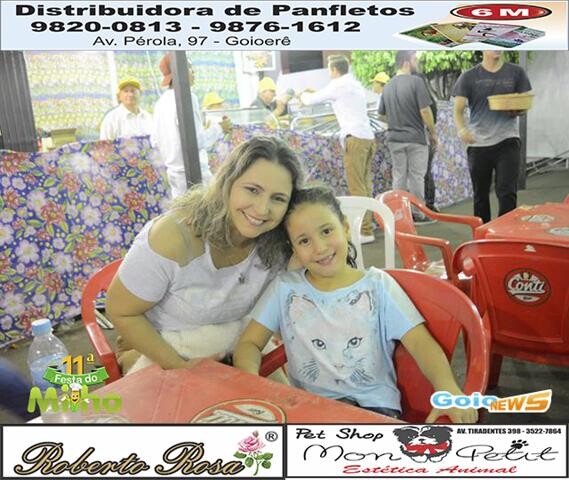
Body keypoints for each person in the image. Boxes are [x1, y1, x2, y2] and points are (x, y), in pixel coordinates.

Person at [234, 185, 476, 423]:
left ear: (345, 228)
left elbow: (420, 343)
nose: (320, 248)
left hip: (372, 410)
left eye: (326, 231)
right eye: (304, 241)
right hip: (309, 410)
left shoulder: (378, 286)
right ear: (293, 248)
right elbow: (249, 343)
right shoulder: (284, 288)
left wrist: (447, 389)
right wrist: (251, 383)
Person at [105, 137, 305, 374]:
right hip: (158, 349)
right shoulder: (173, 236)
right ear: (227, 183)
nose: (262, 209)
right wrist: (179, 367)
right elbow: (121, 310)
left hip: (234, 342)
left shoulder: (280, 241)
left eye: (278, 198)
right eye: (252, 190)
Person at [300, 55, 376, 244]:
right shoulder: (354, 84)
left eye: (329, 69)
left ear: (334, 69)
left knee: (357, 186)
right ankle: (368, 226)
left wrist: (300, 94)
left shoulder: (338, 84)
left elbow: (309, 100)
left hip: (354, 139)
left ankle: (365, 231)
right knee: (366, 185)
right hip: (367, 137)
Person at [453, 51, 532, 223]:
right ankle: (483, 233)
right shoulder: (468, 76)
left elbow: (525, 103)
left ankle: (506, 233)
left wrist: (517, 109)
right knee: (480, 195)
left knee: (507, 192)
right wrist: (462, 130)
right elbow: (458, 110)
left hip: (508, 139)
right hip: (478, 144)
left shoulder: (516, 72)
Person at [152, 53, 232, 198]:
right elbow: (197, 141)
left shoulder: (160, 103)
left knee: (182, 209)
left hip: (174, 175)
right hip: (194, 174)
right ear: (179, 71)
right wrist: (221, 127)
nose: (193, 71)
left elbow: (155, 141)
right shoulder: (187, 97)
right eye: (189, 67)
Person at [378, 51, 438, 224]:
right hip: (415, 138)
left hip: (394, 139)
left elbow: (381, 115)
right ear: (406, 62)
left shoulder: (387, 86)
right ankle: (418, 214)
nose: (416, 62)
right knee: (416, 177)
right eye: (414, 59)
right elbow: (425, 110)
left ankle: (399, 214)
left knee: (399, 176)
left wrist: (396, 120)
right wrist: (433, 133)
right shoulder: (416, 82)